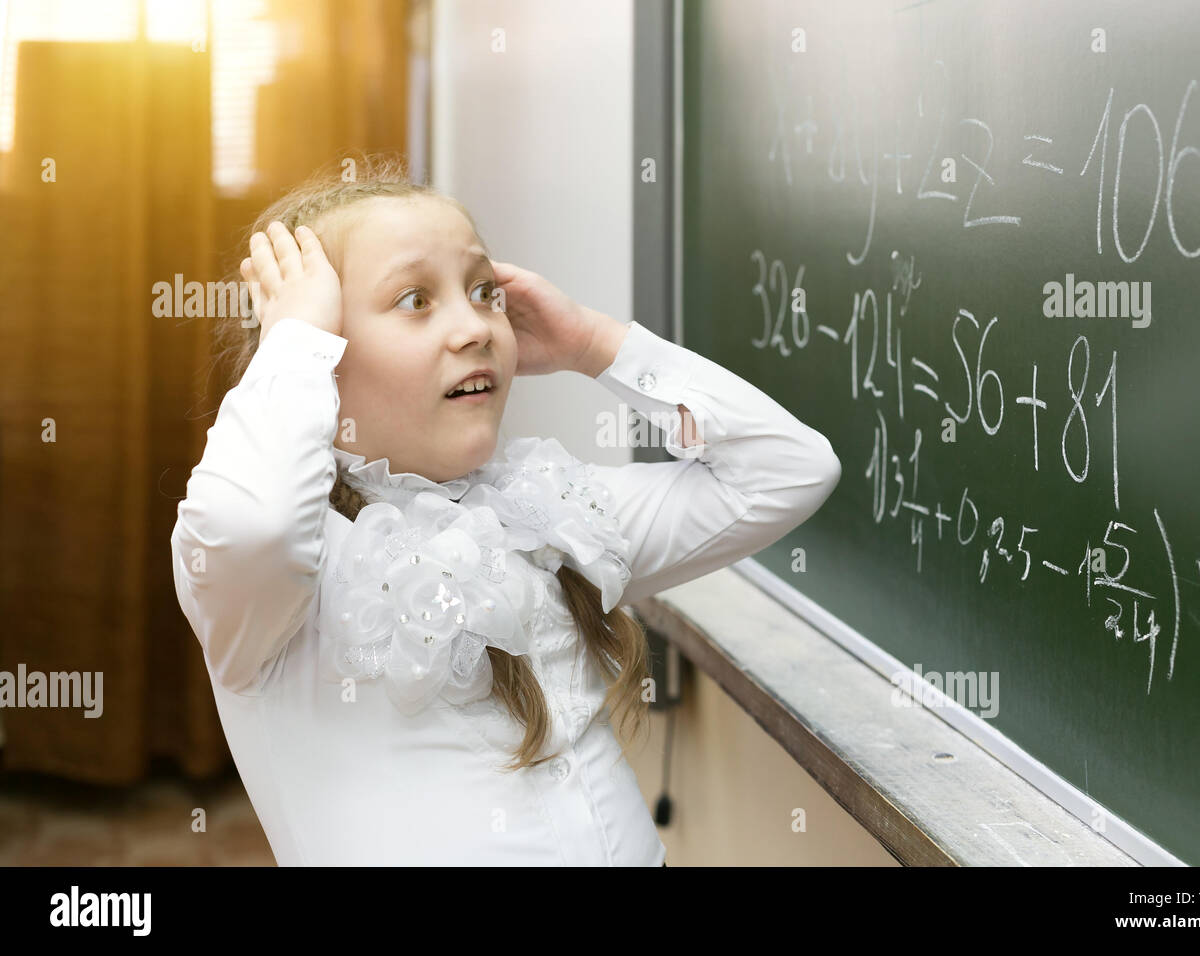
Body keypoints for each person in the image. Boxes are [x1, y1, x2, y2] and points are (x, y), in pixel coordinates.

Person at [170, 157, 841, 865]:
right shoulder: (278, 583)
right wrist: (295, 343)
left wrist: (593, 343)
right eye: (414, 300)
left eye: (484, 291)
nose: (475, 327)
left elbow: (789, 471)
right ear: (319, 353)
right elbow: (256, 527)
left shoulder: (550, 511)